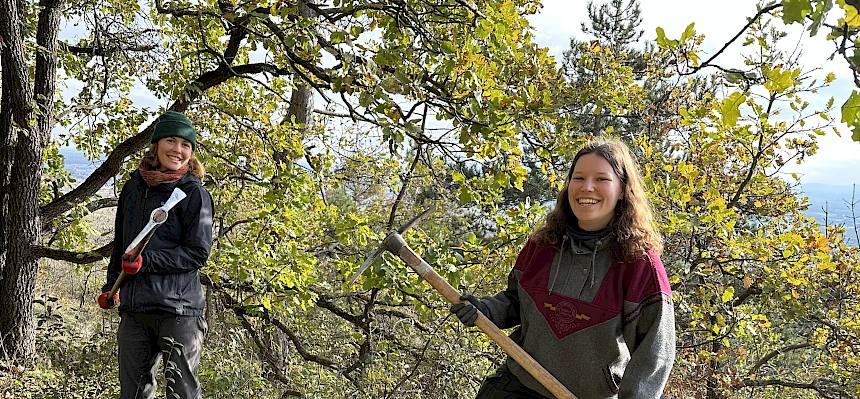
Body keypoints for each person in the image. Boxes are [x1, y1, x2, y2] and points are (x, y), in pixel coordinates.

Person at [451, 138, 675, 399]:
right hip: (519, 387)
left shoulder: (638, 263)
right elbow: (515, 301)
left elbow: (654, 354)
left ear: (623, 189)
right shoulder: (543, 245)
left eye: (602, 179)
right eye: (578, 178)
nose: (587, 187)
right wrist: (486, 310)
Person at [98, 110, 214, 399]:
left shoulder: (194, 193)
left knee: (182, 394)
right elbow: (122, 247)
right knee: (133, 394)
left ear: (191, 152)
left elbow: (198, 253)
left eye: (185, 145)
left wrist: (146, 261)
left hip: (179, 311)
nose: (178, 149)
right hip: (136, 310)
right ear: (157, 144)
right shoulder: (133, 188)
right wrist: (110, 287)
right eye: (172, 141)